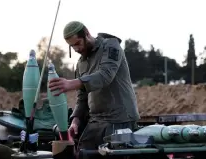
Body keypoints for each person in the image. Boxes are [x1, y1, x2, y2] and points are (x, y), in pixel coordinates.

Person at [48, 21, 140, 151]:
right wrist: (75, 121)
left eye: (78, 43)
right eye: (72, 46)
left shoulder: (110, 46)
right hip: (96, 121)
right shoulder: (81, 63)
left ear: (87, 33)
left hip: (119, 119)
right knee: (82, 156)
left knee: (110, 158)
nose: (76, 49)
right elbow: (82, 98)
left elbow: (105, 75)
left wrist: (71, 83)